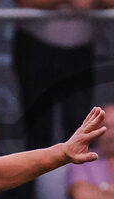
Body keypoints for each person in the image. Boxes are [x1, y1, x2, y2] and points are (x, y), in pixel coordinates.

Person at [12, 0, 96, 151]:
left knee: (79, 123)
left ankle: (80, 168)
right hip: (35, 46)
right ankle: (38, 168)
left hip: (80, 52)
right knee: (39, 127)